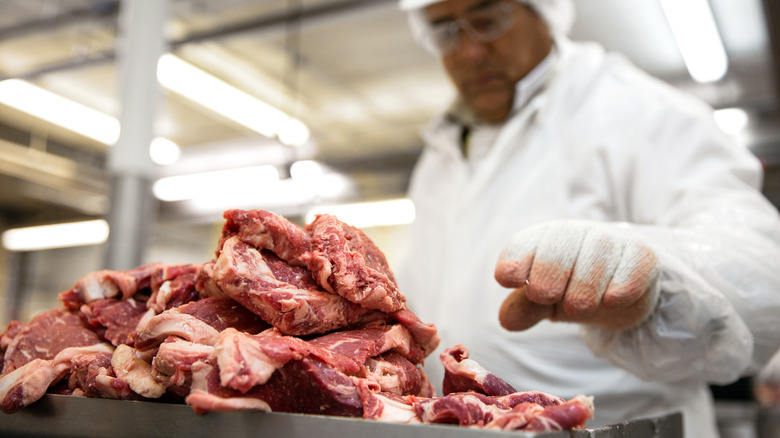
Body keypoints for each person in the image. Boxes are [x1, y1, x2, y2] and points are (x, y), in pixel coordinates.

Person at [394, 0, 780, 436]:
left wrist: (659, 280)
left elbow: (762, 272)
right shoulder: (439, 156)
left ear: (543, 11)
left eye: (487, 21)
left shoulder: (635, 111)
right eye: (444, 31)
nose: (468, 51)